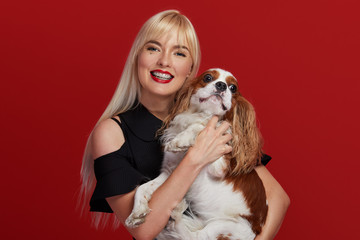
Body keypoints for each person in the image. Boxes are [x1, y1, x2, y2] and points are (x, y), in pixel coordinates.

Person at [80, 10, 290, 240]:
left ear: (191, 68)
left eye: (179, 53)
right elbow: (143, 229)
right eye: (153, 48)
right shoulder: (111, 132)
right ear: (136, 57)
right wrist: (194, 158)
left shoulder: (210, 116)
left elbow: (278, 197)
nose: (164, 61)